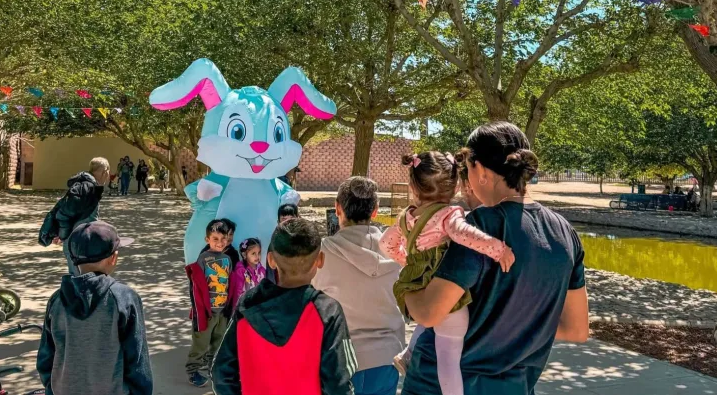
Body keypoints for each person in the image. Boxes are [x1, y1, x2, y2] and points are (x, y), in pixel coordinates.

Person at [401, 122, 588, 395]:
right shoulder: (565, 232)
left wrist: (404, 286)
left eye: (466, 168)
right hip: (517, 386)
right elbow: (576, 329)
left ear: (480, 170)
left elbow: (430, 312)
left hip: (439, 386)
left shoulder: (479, 227)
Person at [380, 152, 514, 394]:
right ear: (454, 189)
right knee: (449, 359)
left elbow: (385, 245)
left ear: (413, 187)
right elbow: (465, 235)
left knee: (428, 320)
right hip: (442, 282)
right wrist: (498, 249)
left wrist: (409, 261)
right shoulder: (448, 215)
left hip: (416, 282)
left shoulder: (406, 217)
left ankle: (408, 352)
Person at [212, 218, 357, 395]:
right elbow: (339, 385)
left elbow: (221, 373)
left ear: (271, 260)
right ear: (319, 260)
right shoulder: (328, 311)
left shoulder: (247, 304)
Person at [312, 177, 404, 395]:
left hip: (339, 359)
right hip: (386, 358)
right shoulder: (396, 253)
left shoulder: (322, 253)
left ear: (337, 208)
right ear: (375, 211)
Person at [36, 221, 152, 395]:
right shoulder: (124, 298)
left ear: (74, 260)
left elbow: (46, 358)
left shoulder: (57, 300)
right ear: (114, 258)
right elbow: (137, 361)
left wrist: (51, 388)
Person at [185, 219, 234, 388]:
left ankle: (213, 367)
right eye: (215, 239)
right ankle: (193, 370)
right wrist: (200, 311)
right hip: (206, 311)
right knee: (201, 342)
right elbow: (196, 287)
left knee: (218, 340)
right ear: (207, 240)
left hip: (222, 310)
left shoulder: (228, 259)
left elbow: (230, 285)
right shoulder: (203, 259)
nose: (219, 243)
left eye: (223, 239)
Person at [39, 158, 110, 275]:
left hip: (82, 241)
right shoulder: (87, 188)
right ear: (105, 172)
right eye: (108, 173)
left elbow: (82, 214)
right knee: (79, 280)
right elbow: (64, 214)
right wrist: (63, 235)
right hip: (77, 243)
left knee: (83, 280)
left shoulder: (90, 187)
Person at [229, 238, 267, 309]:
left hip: (257, 307)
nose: (257, 256)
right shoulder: (241, 271)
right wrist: (237, 309)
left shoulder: (262, 270)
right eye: (253, 253)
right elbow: (238, 291)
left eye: (259, 253)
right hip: (243, 307)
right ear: (244, 255)